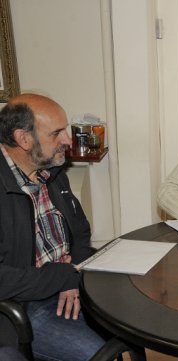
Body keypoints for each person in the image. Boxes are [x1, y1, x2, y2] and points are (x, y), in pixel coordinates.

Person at [0, 94, 105, 360]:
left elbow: (81, 233)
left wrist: (73, 272)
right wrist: (63, 276)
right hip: (23, 304)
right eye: (57, 133)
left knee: (134, 319)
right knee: (96, 354)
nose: (68, 140)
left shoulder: (52, 173)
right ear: (23, 139)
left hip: (70, 280)